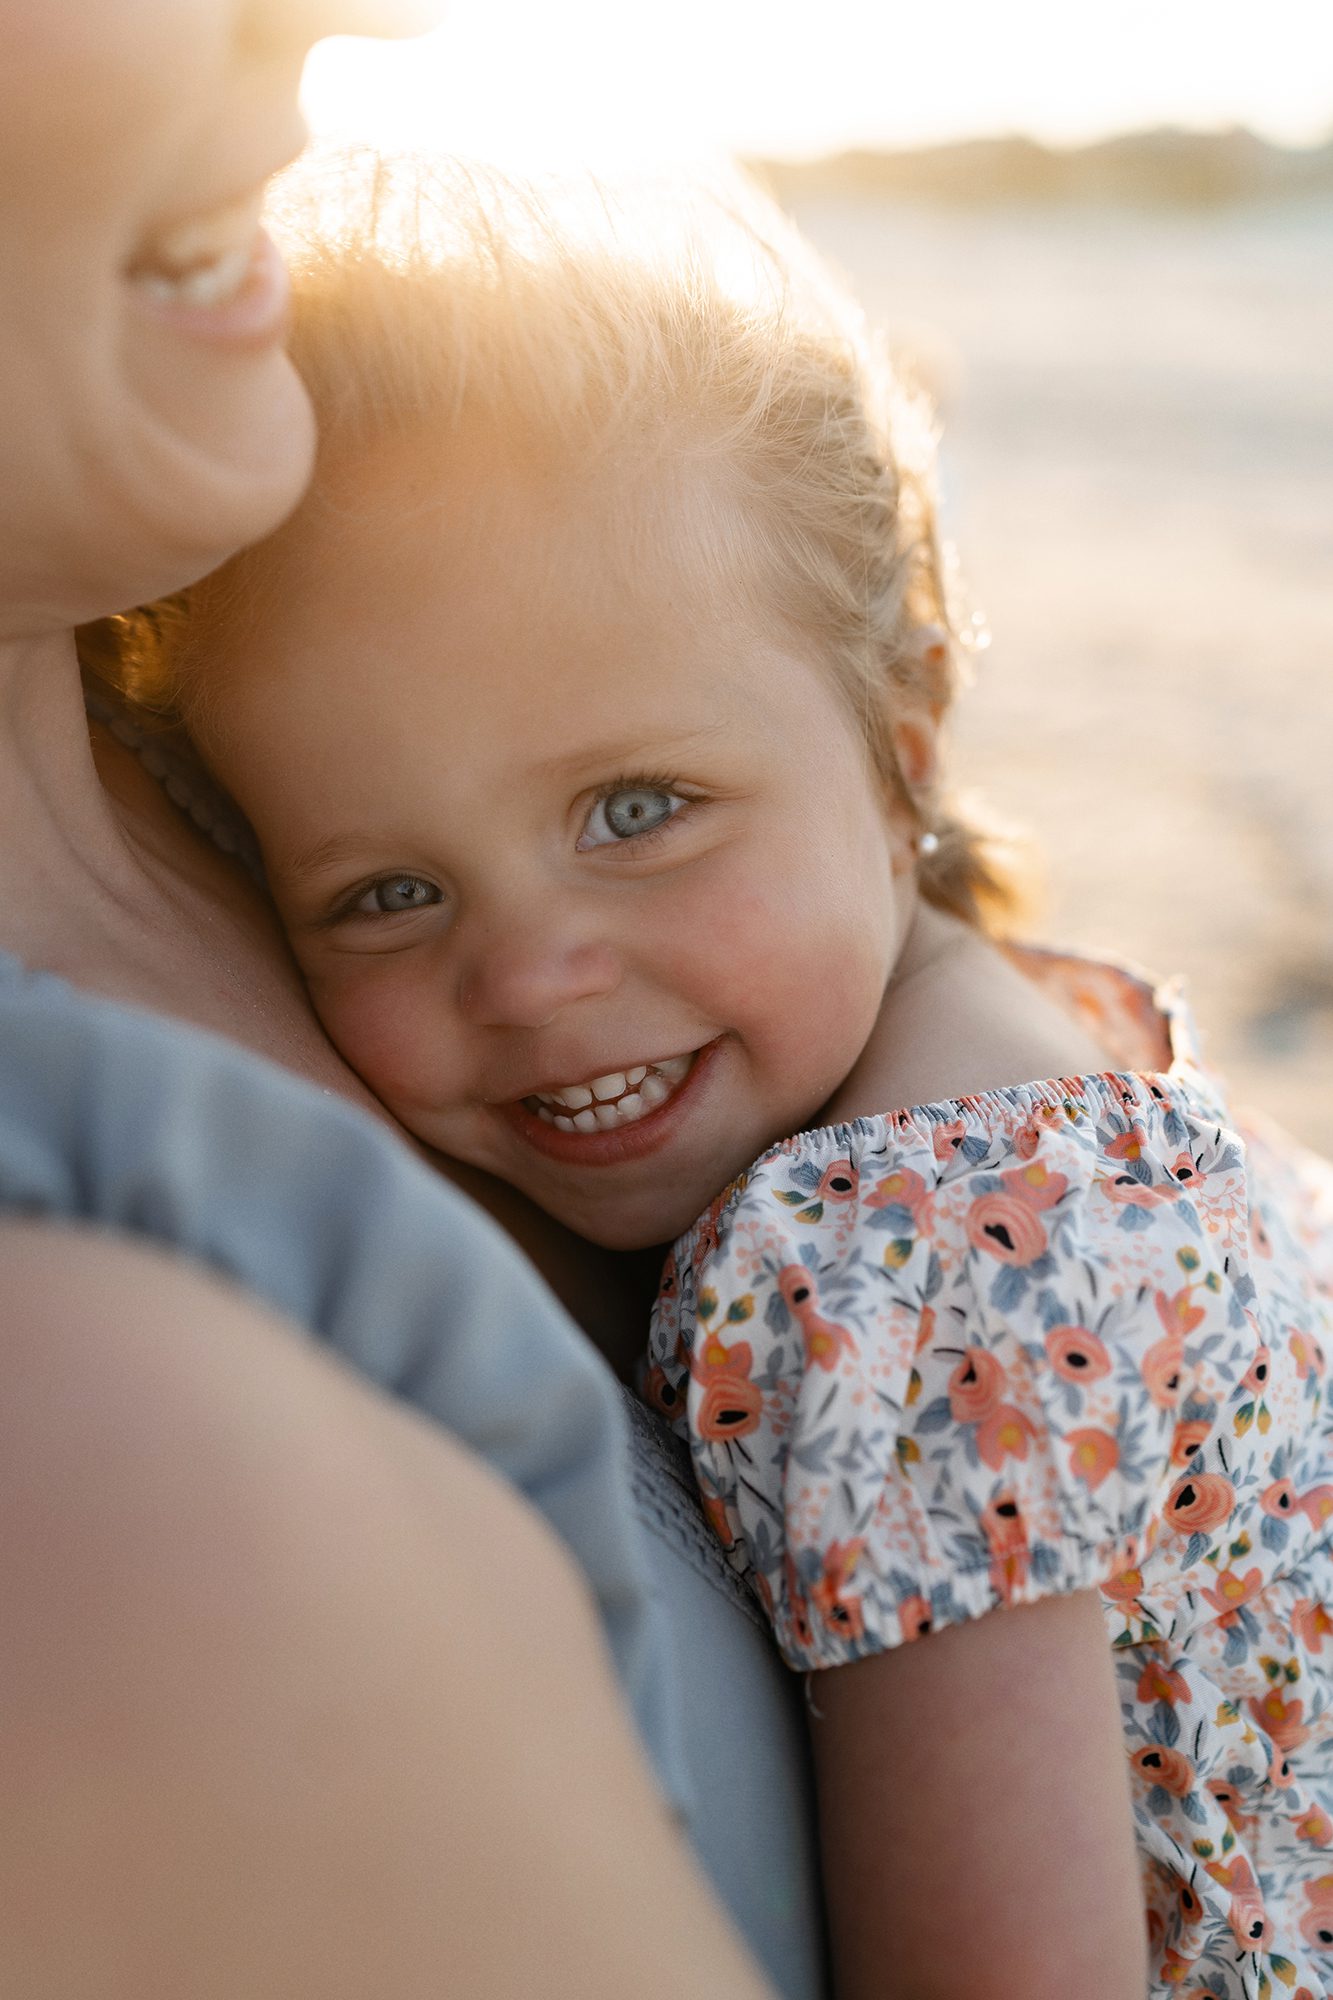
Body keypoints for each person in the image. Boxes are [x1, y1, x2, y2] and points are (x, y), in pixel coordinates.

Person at [143, 153, 1333, 2000]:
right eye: (386, 890)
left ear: (897, 745)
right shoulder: (1034, 1041)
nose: (531, 973)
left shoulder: (906, 1262)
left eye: (638, 810)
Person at [0, 11, 822, 1995]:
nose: (334, 11)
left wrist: (970, 1074)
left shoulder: (284, 725)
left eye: (634, 815)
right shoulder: (90, 1449)